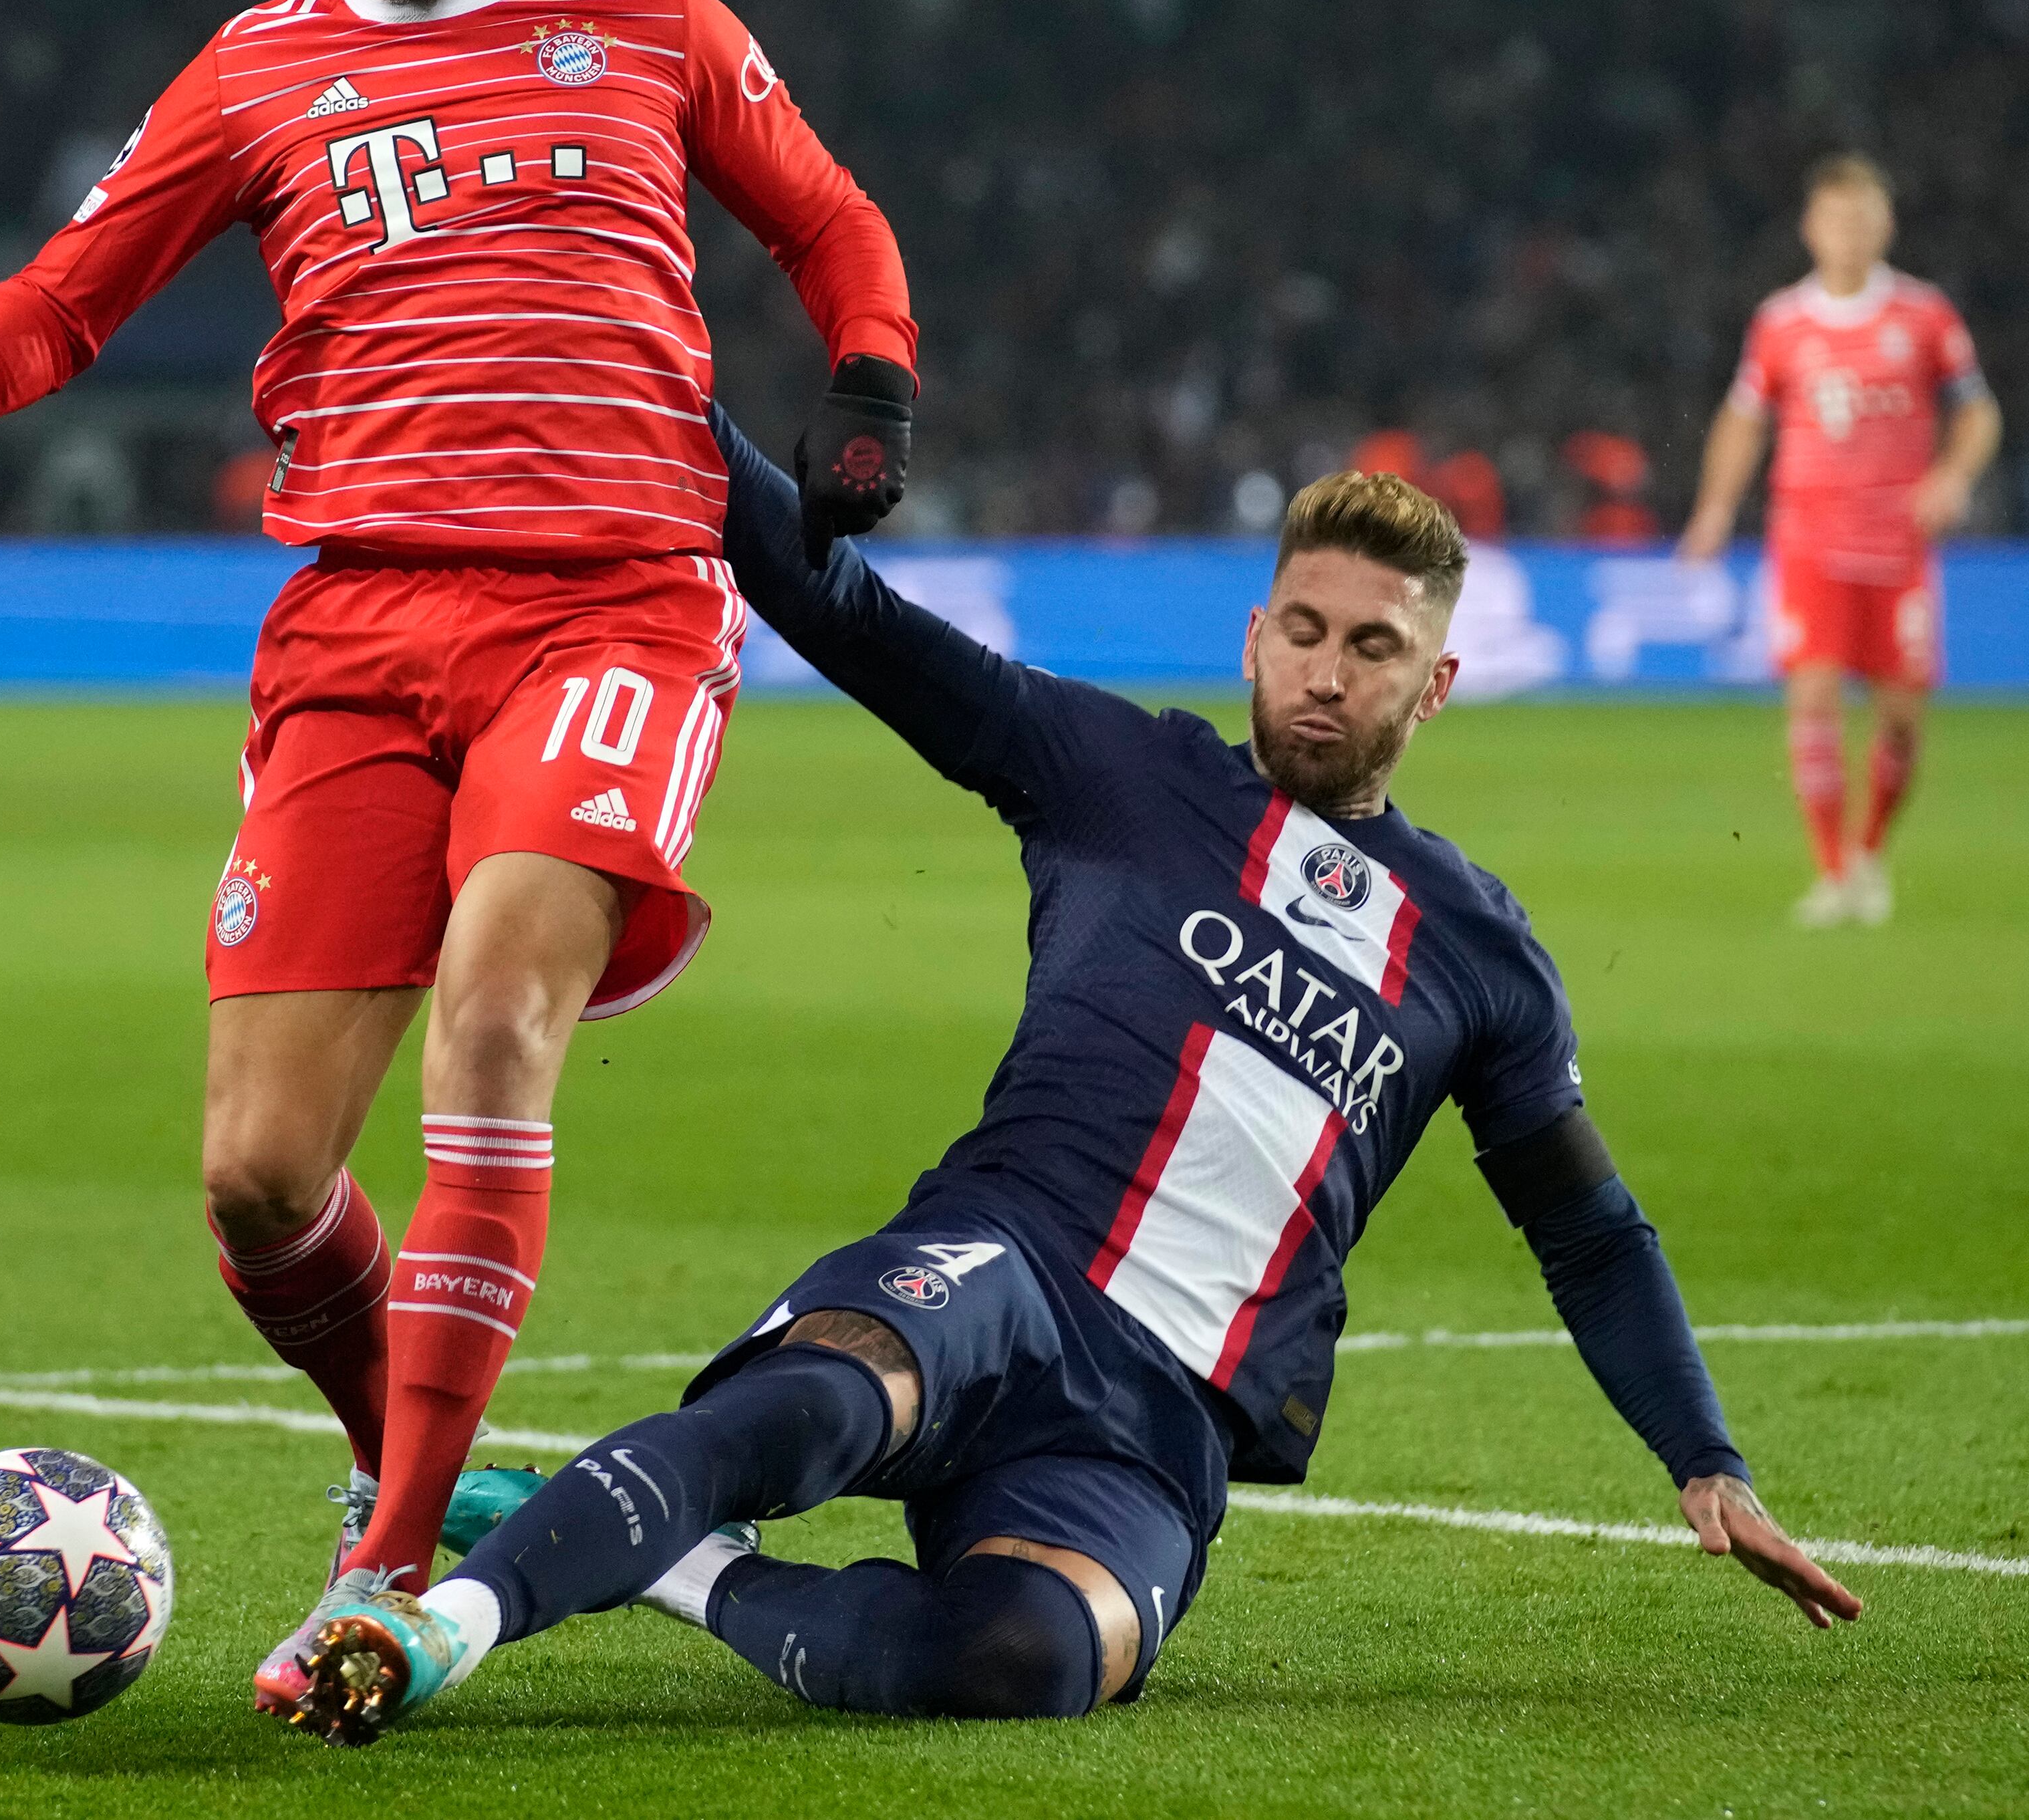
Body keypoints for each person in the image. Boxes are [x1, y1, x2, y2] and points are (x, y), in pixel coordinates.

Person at [0, 0, 924, 1708]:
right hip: (349, 631)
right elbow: (73, 292)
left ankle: (395, 1569)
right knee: (258, 1179)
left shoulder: (644, 12)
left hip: (609, 606)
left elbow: (829, 215)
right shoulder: (256, 69)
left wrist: (862, 387)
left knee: (499, 1011)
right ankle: (394, 1458)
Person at [280, 422, 1860, 1746]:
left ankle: (685, 1567)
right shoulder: (1121, 774)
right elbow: (850, 614)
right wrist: (661, 385)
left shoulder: (1481, 958)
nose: (1325, 673)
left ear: (1432, 686)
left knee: (1024, 1663)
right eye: (1302, 631)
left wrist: (1704, 1459)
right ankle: (443, 1625)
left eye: (1373, 648)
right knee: (819, 1401)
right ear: (1255, 637)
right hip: (1002, 1268)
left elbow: (1588, 1231)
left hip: (1160, 1416)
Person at [1680, 153, 2000, 927]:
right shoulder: (1781, 321)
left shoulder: (1924, 316)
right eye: (1834, 218)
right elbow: (1743, 418)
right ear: (1810, 228)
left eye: (1862, 218)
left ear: (1883, 225)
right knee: (1813, 692)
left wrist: (1952, 477)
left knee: (1898, 720)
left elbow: (1977, 412)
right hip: (1810, 540)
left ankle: (1867, 853)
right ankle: (1831, 872)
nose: (1848, 233)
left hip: (1896, 547)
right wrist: (1714, 509)